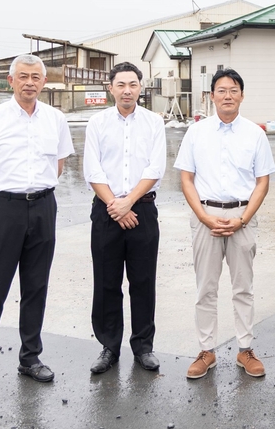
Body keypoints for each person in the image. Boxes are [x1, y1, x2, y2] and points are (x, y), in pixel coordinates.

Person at [0, 54, 74, 395]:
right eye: (22, 76)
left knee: (36, 287)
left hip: (42, 207)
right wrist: (1, 206)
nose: (29, 83)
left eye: (35, 77)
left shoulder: (55, 119)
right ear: (10, 80)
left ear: (43, 81)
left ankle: (30, 358)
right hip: (2, 209)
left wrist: (33, 200)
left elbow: (59, 165)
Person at [174, 68, 275, 379]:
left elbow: (262, 182)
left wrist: (243, 219)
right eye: (221, 90)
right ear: (212, 95)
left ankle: (245, 349)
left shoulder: (255, 134)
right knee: (205, 288)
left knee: (243, 287)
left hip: (242, 217)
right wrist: (204, 217)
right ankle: (206, 351)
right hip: (205, 217)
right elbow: (186, 179)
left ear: (242, 95)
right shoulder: (197, 132)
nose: (227, 95)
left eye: (233, 90)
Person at [84, 62, 166, 374]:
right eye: (121, 84)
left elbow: (155, 168)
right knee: (106, 281)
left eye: (133, 84)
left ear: (140, 87)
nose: (127, 90)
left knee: (143, 281)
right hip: (106, 211)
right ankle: (109, 346)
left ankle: (143, 346)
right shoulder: (98, 122)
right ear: (111, 88)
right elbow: (93, 169)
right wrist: (115, 205)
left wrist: (128, 202)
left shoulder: (154, 122)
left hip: (142, 209)